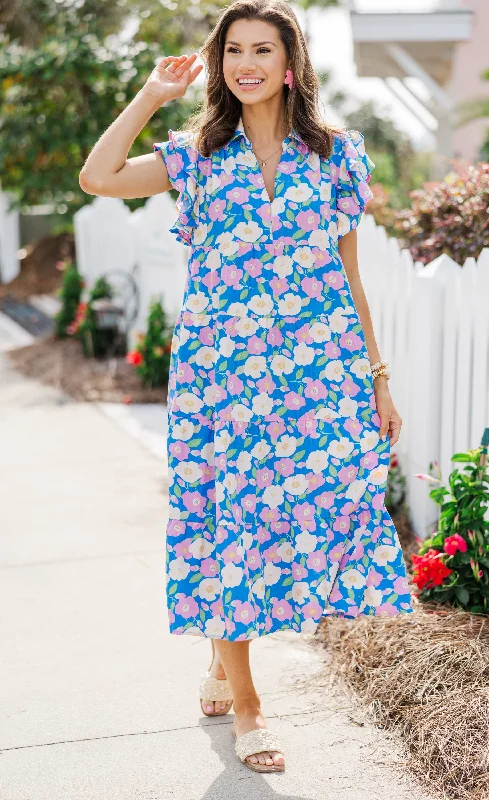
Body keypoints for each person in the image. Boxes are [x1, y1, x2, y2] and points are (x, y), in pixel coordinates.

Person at [79, 0, 414, 775]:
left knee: (300, 515)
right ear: (220, 63)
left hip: (317, 374)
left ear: (289, 64)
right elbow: (98, 176)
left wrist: (377, 381)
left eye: (262, 49)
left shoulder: (336, 156)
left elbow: (351, 281)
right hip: (222, 378)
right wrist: (152, 96)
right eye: (233, 50)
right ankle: (250, 702)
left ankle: (221, 666)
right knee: (230, 522)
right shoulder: (197, 152)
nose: (246, 63)